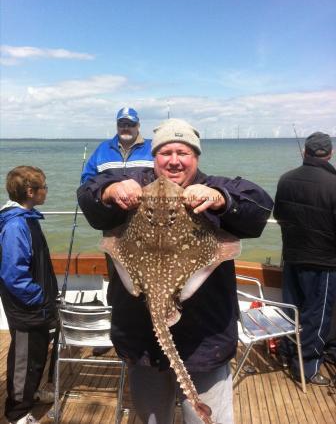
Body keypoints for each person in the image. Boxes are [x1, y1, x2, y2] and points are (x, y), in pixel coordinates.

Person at [77, 118, 273, 423]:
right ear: (154, 157)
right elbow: (88, 194)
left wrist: (221, 200)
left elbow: (259, 207)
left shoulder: (213, 188)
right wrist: (111, 189)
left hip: (205, 341)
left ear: (196, 157)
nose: (174, 160)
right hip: (141, 340)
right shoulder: (135, 185)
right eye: (166, 152)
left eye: (183, 152)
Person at [81, 107, 153, 356]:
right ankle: (116, 332)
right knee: (118, 283)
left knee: (151, 281)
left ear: (138, 125)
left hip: (149, 231)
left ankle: (150, 330)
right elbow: (87, 184)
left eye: (130, 123)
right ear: (116, 125)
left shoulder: (152, 148)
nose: (125, 128)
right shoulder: (102, 150)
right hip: (114, 232)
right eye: (121, 123)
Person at [274, 132, 336, 386]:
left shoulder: (286, 179)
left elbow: (278, 214)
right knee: (316, 316)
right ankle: (307, 368)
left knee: (293, 311)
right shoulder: (334, 183)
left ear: (305, 152)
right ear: (330, 154)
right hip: (324, 263)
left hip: (292, 257)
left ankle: (288, 352)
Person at [0, 166, 59, 424]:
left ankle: (31, 392)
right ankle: (17, 413)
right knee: (24, 359)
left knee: (36, 353)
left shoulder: (28, 218)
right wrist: (38, 298)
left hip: (38, 307)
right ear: (30, 192)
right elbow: (14, 274)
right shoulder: (16, 226)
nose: (46, 191)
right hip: (27, 307)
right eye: (43, 187)